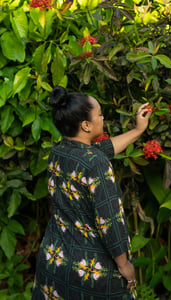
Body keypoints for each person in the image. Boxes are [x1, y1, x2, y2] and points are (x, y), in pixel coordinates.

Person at [32, 86, 151, 300]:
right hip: (90, 270)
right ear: (86, 125)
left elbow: (102, 150)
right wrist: (124, 265)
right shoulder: (96, 164)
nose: (102, 118)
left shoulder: (58, 151)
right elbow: (110, 220)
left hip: (54, 260)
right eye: (99, 114)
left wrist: (137, 130)